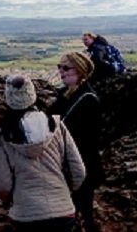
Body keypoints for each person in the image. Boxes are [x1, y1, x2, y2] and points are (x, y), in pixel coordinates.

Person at [0, 75, 86, 232]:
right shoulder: (56, 125)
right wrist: (63, 191)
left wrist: (10, 201)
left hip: (25, 215)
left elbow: (1, 183)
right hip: (63, 211)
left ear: (7, 98)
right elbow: (78, 172)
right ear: (33, 94)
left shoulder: (3, 133)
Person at [50, 52, 104, 232]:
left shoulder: (88, 99)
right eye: (59, 67)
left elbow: (89, 140)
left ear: (79, 71)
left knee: (81, 213)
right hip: (68, 165)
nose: (61, 71)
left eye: (66, 68)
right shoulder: (65, 94)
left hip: (81, 166)